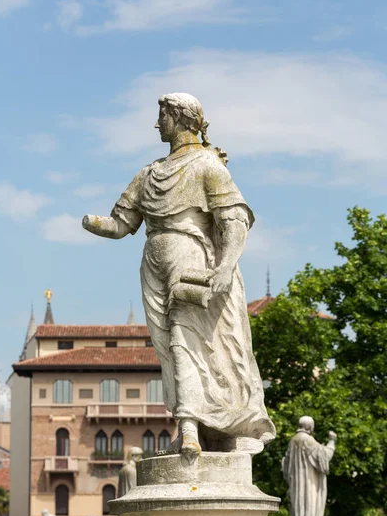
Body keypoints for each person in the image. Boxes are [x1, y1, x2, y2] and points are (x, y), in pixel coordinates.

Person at [83, 92, 275, 458]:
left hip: (191, 259)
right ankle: (193, 425)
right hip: (153, 267)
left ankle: (189, 429)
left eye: (163, 117)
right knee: (166, 347)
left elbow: (234, 221)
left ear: (181, 118)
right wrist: (93, 223)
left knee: (184, 340)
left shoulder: (207, 166)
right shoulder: (149, 173)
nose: (157, 125)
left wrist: (226, 267)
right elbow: (122, 224)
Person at [282, 416, 337, 516]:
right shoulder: (307, 440)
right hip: (308, 484)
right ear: (309, 427)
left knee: (299, 509)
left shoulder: (292, 441)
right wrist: (332, 442)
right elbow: (324, 456)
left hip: (296, 485)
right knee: (308, 507)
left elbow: (285, 465)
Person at [118, 447, 143, 516]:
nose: (141, 458)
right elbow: (136, 489)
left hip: (123, 508)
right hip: (132, 508)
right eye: (139, 456)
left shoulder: (123, 470)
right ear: (133, 456)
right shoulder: (132, 470)